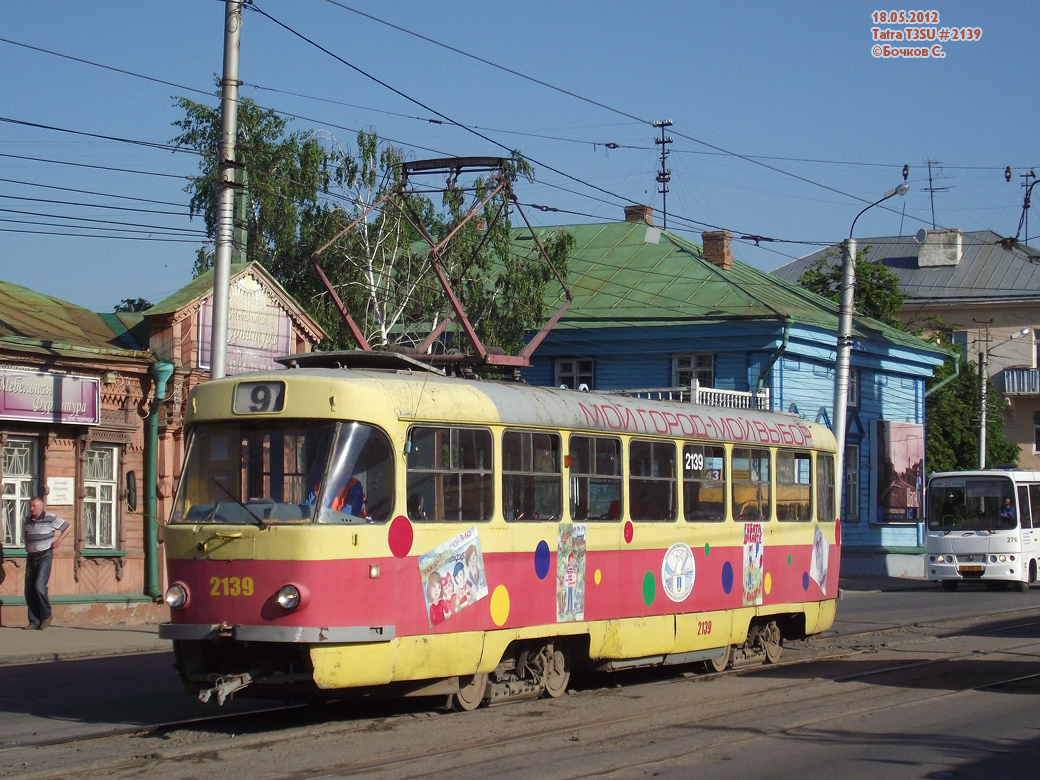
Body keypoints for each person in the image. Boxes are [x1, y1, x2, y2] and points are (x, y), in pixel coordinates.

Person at [22, 497, 70, 630]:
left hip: (45, 555)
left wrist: (59, 541)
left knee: (39, 586)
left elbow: (67, 527)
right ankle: (34, 621)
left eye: (33, 506)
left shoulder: (50, 518)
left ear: (41, 507)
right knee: (29, 590)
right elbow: (25, 533)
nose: (31, 509)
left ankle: (47, 615)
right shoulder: (27, 520)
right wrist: (26, 545)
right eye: (30, 506)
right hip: (31, 557)